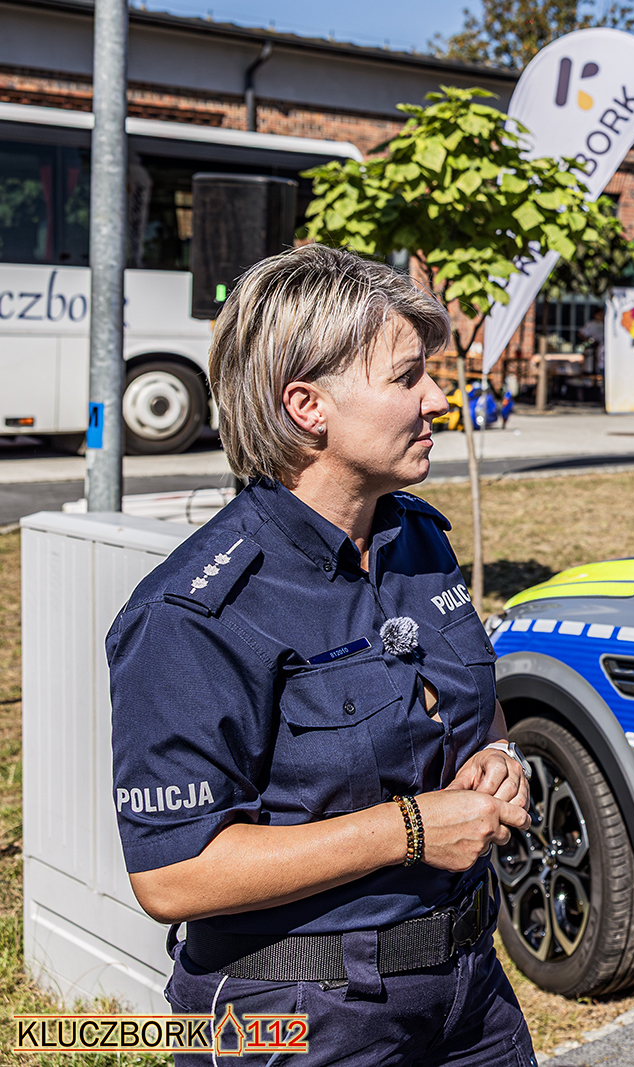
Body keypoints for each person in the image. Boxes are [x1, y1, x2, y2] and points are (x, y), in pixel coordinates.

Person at [106, 244, 536, 1066]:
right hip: (298, 1014)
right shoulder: (195, 611)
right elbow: (174, 875)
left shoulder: (416, 538)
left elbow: (470, 706)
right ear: (308, 406)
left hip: (468, 989)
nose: (437, 398)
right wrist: (409, 830)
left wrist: (498, 757)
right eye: (407, 377)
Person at [579, 307, 606, 373]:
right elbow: (581, 333)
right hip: (596, 348)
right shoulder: (592, 324)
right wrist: (590, 341)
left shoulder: (608, 323)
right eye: (600, 314)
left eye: (603, 313)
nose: (601, 316)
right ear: (595, 315)